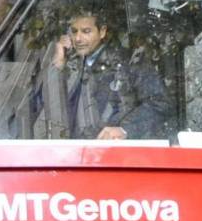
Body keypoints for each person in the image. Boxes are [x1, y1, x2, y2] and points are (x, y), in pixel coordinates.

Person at [39, 10, 174, 140]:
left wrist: (124, 130)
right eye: (74, 32)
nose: (78, 38)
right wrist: (57, 65)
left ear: (102, 32)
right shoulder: (67, 66)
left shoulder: (130, 62)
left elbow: (160, 103)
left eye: (86, 31)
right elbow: (46, 110)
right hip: (73, 153)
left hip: (118, 154)